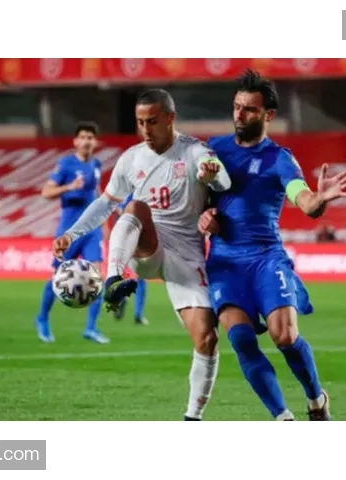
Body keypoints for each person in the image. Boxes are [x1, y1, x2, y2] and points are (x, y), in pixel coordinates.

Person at [52, 89, 231, 420]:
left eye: (152, 121)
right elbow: (106, 204)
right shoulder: (131, 158)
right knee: (134, 206)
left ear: (170, 118)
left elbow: (222, 179)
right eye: (140, 122)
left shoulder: (195, 151)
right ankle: (114, 278)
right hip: (148, 244)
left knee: (207, 339)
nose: (145, 130)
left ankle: (193, 417)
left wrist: (212, 175)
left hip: (187, 255)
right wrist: (71, 234)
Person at [197, 69, 346, 421]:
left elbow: (305, 201)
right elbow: (198, 199)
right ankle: (283, 418)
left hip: (266, 259)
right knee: (241, 340)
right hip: (225, 260)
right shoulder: (213, 149)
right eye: (237, 107)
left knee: (284, 336)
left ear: (268, 115)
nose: (240, 115)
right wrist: (204, 216)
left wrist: (320, 199)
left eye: (249, 109)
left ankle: (316, 398)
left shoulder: (279, 158)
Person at [35, 121, 109, 345]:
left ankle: (91, 328)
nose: (86, 141)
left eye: (90, 138)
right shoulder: (66, 164)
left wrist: (104, 223)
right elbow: (46, 192)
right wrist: (69, 187)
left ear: (95, 142)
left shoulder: (96, 164)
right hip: (69, 230)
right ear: (76, 141)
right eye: (83, 137)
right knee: (57, 276)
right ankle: (42, 318)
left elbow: (96, 194)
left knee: (98, 276)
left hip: (92, 230)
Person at [111, 193, 149, 326]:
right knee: (140, 275)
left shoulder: (128, 192)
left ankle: (124, 300)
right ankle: (137, 312)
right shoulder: (135, 192)